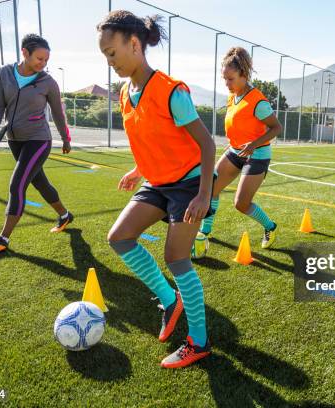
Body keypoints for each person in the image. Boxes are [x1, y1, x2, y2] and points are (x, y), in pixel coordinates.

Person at [98, 10, 215, 368]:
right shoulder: (124, 93)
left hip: (189, 185)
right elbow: (150, 139)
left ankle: (198, 343)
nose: (110, 62)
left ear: (134, 44)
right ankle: (169, 299)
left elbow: (208, 146)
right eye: (105, 56)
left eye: (112, 53)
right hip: (157, 181)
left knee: (177, 259)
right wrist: (138, 170)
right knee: (119, 238)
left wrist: (203, 195)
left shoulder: (171, 92)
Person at [0, 34, 73, 253]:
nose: (43, 64)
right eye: (39, 59)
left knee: (17, 184)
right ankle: (65, 215)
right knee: (39, 182)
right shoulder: (4, 74)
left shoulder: (48, 82)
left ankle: (3, 239)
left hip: (39, 139)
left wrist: (66, 138)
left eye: (46, 60)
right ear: (25, 52)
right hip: (15, 140)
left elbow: (59, 114)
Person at [196, 46, 282, 252]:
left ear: (243, 75)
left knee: (241, 204)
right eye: (224, 79)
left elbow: (277, 127)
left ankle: (271, 227)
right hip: (235, 151)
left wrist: (253, 144)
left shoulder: (258, 101)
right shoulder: (232, 96)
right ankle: (205, 231)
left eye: (231, 79)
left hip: (257, 155)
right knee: (210, 189)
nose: (227, 84)